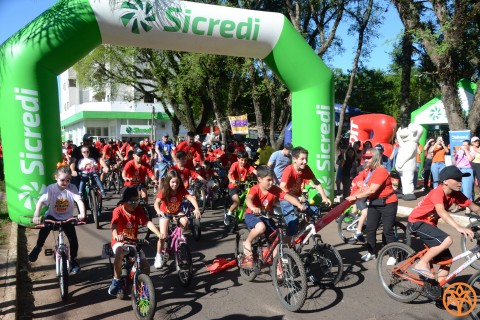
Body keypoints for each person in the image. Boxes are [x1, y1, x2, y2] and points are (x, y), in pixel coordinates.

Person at [407, 166, 477, 282]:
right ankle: (421, 264)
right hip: (417, 222)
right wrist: (458, 227)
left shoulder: (456, 194)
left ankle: (438, 291)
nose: (460, 182)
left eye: (461, 179)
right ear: (445, 181)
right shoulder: (437, 192)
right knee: (447, 240)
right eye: (456, 179)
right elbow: (441, 211)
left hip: (429, 225)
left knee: (447, 261)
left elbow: (475, 208)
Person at [241, 165, 306, 269]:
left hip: (266, 217)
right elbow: (249, 199)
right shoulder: (255, 189)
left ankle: (278, 268)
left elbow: (287, 196)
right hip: (252, 215)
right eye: (268, 180)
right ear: (259, 179)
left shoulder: (274, 189)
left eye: (273, 179)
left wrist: (298, 205)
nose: (271, 182)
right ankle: (248, 241)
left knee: (278, 240)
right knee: (261, 227)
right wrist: (253, 208)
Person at [28, 166, 86, 274]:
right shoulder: (51, 188)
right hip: (52, 216)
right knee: (44, 231)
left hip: (67, 218)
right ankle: (38, 247)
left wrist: (82, 213)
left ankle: (73, 260)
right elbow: (40, 202)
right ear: (56, 177)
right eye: (62, 180)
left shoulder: (72, 188)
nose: (65, 182)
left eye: (68, 180)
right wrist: (36, 215)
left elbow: (79, 201)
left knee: (74, 240)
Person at [346, 148, 398, 262]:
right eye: (365, 157)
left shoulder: (380, 170)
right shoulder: (369, 171)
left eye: (369, 158)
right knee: (370, 228)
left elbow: (372, 190)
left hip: (388, 203)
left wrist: (355, 197)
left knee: (387, 230)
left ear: (375, 158)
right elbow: (363, 184)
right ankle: (371, 252)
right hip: (375, 203)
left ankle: (393, 255)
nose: (366, 159)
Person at [108, 186, 162, 295]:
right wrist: (116, 235)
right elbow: (114, 225)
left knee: (146, 267)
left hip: (133, 242)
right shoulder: (118, 211)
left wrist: (158, 233)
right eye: (131, 202)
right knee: (119, 253)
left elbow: (147, 223)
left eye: (137, 201)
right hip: (120, 242)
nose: (135, 204)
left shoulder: (138, 210)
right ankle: (116, 280)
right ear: (124, 201)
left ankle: (141, 285)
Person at [279, 146, 331, 238]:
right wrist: (296, 198)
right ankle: (286, 244)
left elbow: (316, 183)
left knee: (314, 212)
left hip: (299, 200)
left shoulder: (306, 168)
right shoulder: (289, 170)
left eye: (306, 159)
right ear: (294, 159)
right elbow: (282, 187)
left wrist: (324, 197)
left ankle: (298, 232)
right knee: (293, 223)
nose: (305, 161)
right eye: (302, 159)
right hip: (286, 200)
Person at [153, 170, 201, 268]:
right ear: (168, 182)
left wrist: (197, 209)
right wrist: (158, 211)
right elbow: (156, 203)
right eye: (173, 182)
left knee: (185, 221)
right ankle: (158, 256)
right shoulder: (164, 191)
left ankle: (179, 235)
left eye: (177, 182)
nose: (175, 184)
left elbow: (191, 198)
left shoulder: (181, 190)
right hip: (165, 213)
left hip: (176, 211)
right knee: (162, 236)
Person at [224, 150, 257, 226]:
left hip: (242, 185)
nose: (243, 162)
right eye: (242, 160)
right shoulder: (234, 165)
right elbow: (230, 174)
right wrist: (231, 180)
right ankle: (228, 214)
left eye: (245, 160)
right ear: (238, 159)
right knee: (237, 202)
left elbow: (255, 171)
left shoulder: (248, 166)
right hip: (233, 186)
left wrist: (261, 176)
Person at [454, 140, 475, 212]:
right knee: (457, 189)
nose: (463, 146)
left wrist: (465, 150)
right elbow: (455, 161)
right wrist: (455, 154)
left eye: (466, 145)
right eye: (463, 145)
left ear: (469, 145)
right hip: (459, 170)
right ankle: (457, 206)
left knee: (467, 189)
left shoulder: (472, 152)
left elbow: (470, 159)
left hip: (467, 170)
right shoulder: (460, 151)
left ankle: (468, 207)